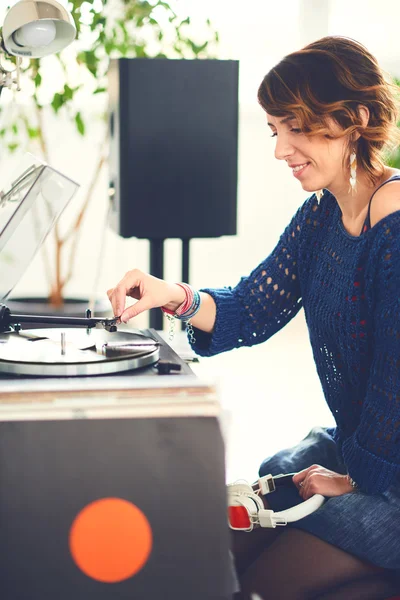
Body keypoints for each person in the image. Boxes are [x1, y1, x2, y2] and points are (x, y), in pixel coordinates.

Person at [107, 36, 400, 599]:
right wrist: (172, 294)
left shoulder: (395, 228)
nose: (280, 149)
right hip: (360, 448)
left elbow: (396, 383)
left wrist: (354, 481)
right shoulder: (320, 218)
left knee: (257, 586)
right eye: (275, 130)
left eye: (297, 126)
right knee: (214, 549)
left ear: (356, 118)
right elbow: (250, 308)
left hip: (388, 474)